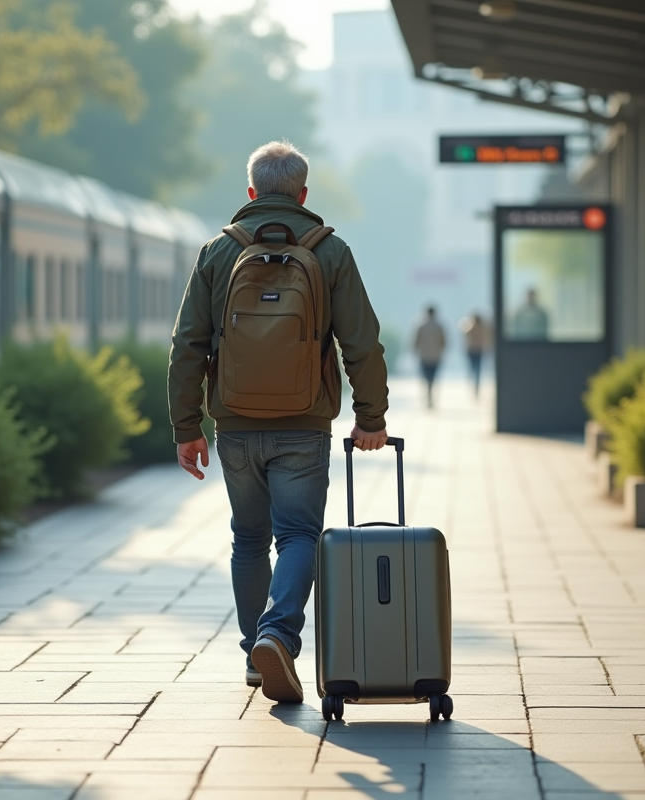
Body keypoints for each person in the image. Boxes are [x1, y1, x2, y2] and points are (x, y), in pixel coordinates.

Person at [168, 141, 390, 704]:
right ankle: (278, 635)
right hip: (303, 423)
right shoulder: (329, 250)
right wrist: (372, 419)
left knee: (249, 536)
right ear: (303, 193)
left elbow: (187, 345)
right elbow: (361, 341)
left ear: (251, 192)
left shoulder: (219, 251)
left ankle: (253, 653)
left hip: (235, 424)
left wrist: (186, 427)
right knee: (297, 535)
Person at [413, 305, 446, 409]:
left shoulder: (420, 325)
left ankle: (428, 397)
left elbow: (416, 341)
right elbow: (444, 342)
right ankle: (430, 397)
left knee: (426, 378)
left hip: (424, 356)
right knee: (433, 378)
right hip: (436, 356)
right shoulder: (439, 326)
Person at [459, 311, 493, 398]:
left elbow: (464, 332)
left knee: (474, 369)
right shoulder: (481, 328)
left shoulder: (473, 327)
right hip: (477, 350)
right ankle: (475, 386)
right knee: (476, 369)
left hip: (474, 350)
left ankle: (474, 385)